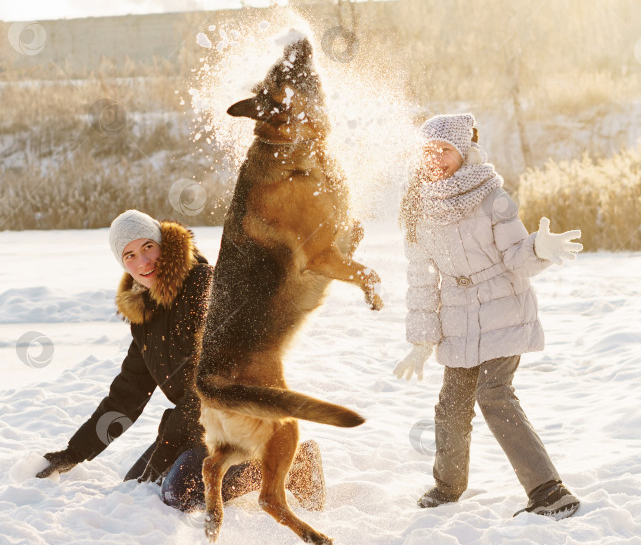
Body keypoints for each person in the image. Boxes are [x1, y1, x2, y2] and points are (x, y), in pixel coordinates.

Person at [36, 209, 325, 513]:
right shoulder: (144, 316)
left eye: (148, 247)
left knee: (179, 493)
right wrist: (73, 453)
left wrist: (168, 445)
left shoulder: (204, 287)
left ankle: (295, 466)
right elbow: (126, 397)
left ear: (163, 244)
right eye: (130, 255)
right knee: (135, 487)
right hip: (195, 425)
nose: (143, 262)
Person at [395, 114, 583, 519]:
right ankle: (448, 486)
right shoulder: (419, 206)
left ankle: (549, 492)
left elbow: (517, 257)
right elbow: (422, 282)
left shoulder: (491, 195)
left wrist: (539, 249)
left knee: (493, 394)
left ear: (464, 152)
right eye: (429, 151)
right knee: (450, 406)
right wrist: (421, 342)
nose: (437, 158)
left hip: (503, 308)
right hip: (459, 320)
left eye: (446, 150)